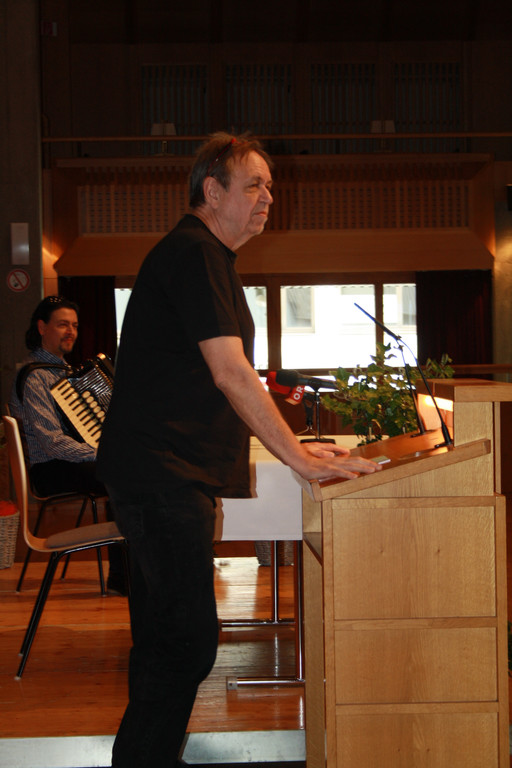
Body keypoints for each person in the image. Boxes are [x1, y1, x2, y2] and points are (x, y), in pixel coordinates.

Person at [96, 132, 380, 768]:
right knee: (185, 642)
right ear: (212, 190)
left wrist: (300, 446)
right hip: (161, 473)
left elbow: (219, 376)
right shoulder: (196, 253)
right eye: (254, 185)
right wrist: (297, 458)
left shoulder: (204, 255)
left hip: (161, 471)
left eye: (270, 187)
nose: (268, 198)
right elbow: (230, 372)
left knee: (166, 640)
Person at [9, 295, 126, 595]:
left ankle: (137, 568)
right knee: (122, 477)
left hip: (70, 463)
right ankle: (123, 577)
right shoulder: (34, 377)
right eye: (62, 325)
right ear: (42, 327)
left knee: (130, 472)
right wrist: (103, 453)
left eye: (74, 325)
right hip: (49, 469)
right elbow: (52, 443)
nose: (71, 331)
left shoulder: (68, 374)